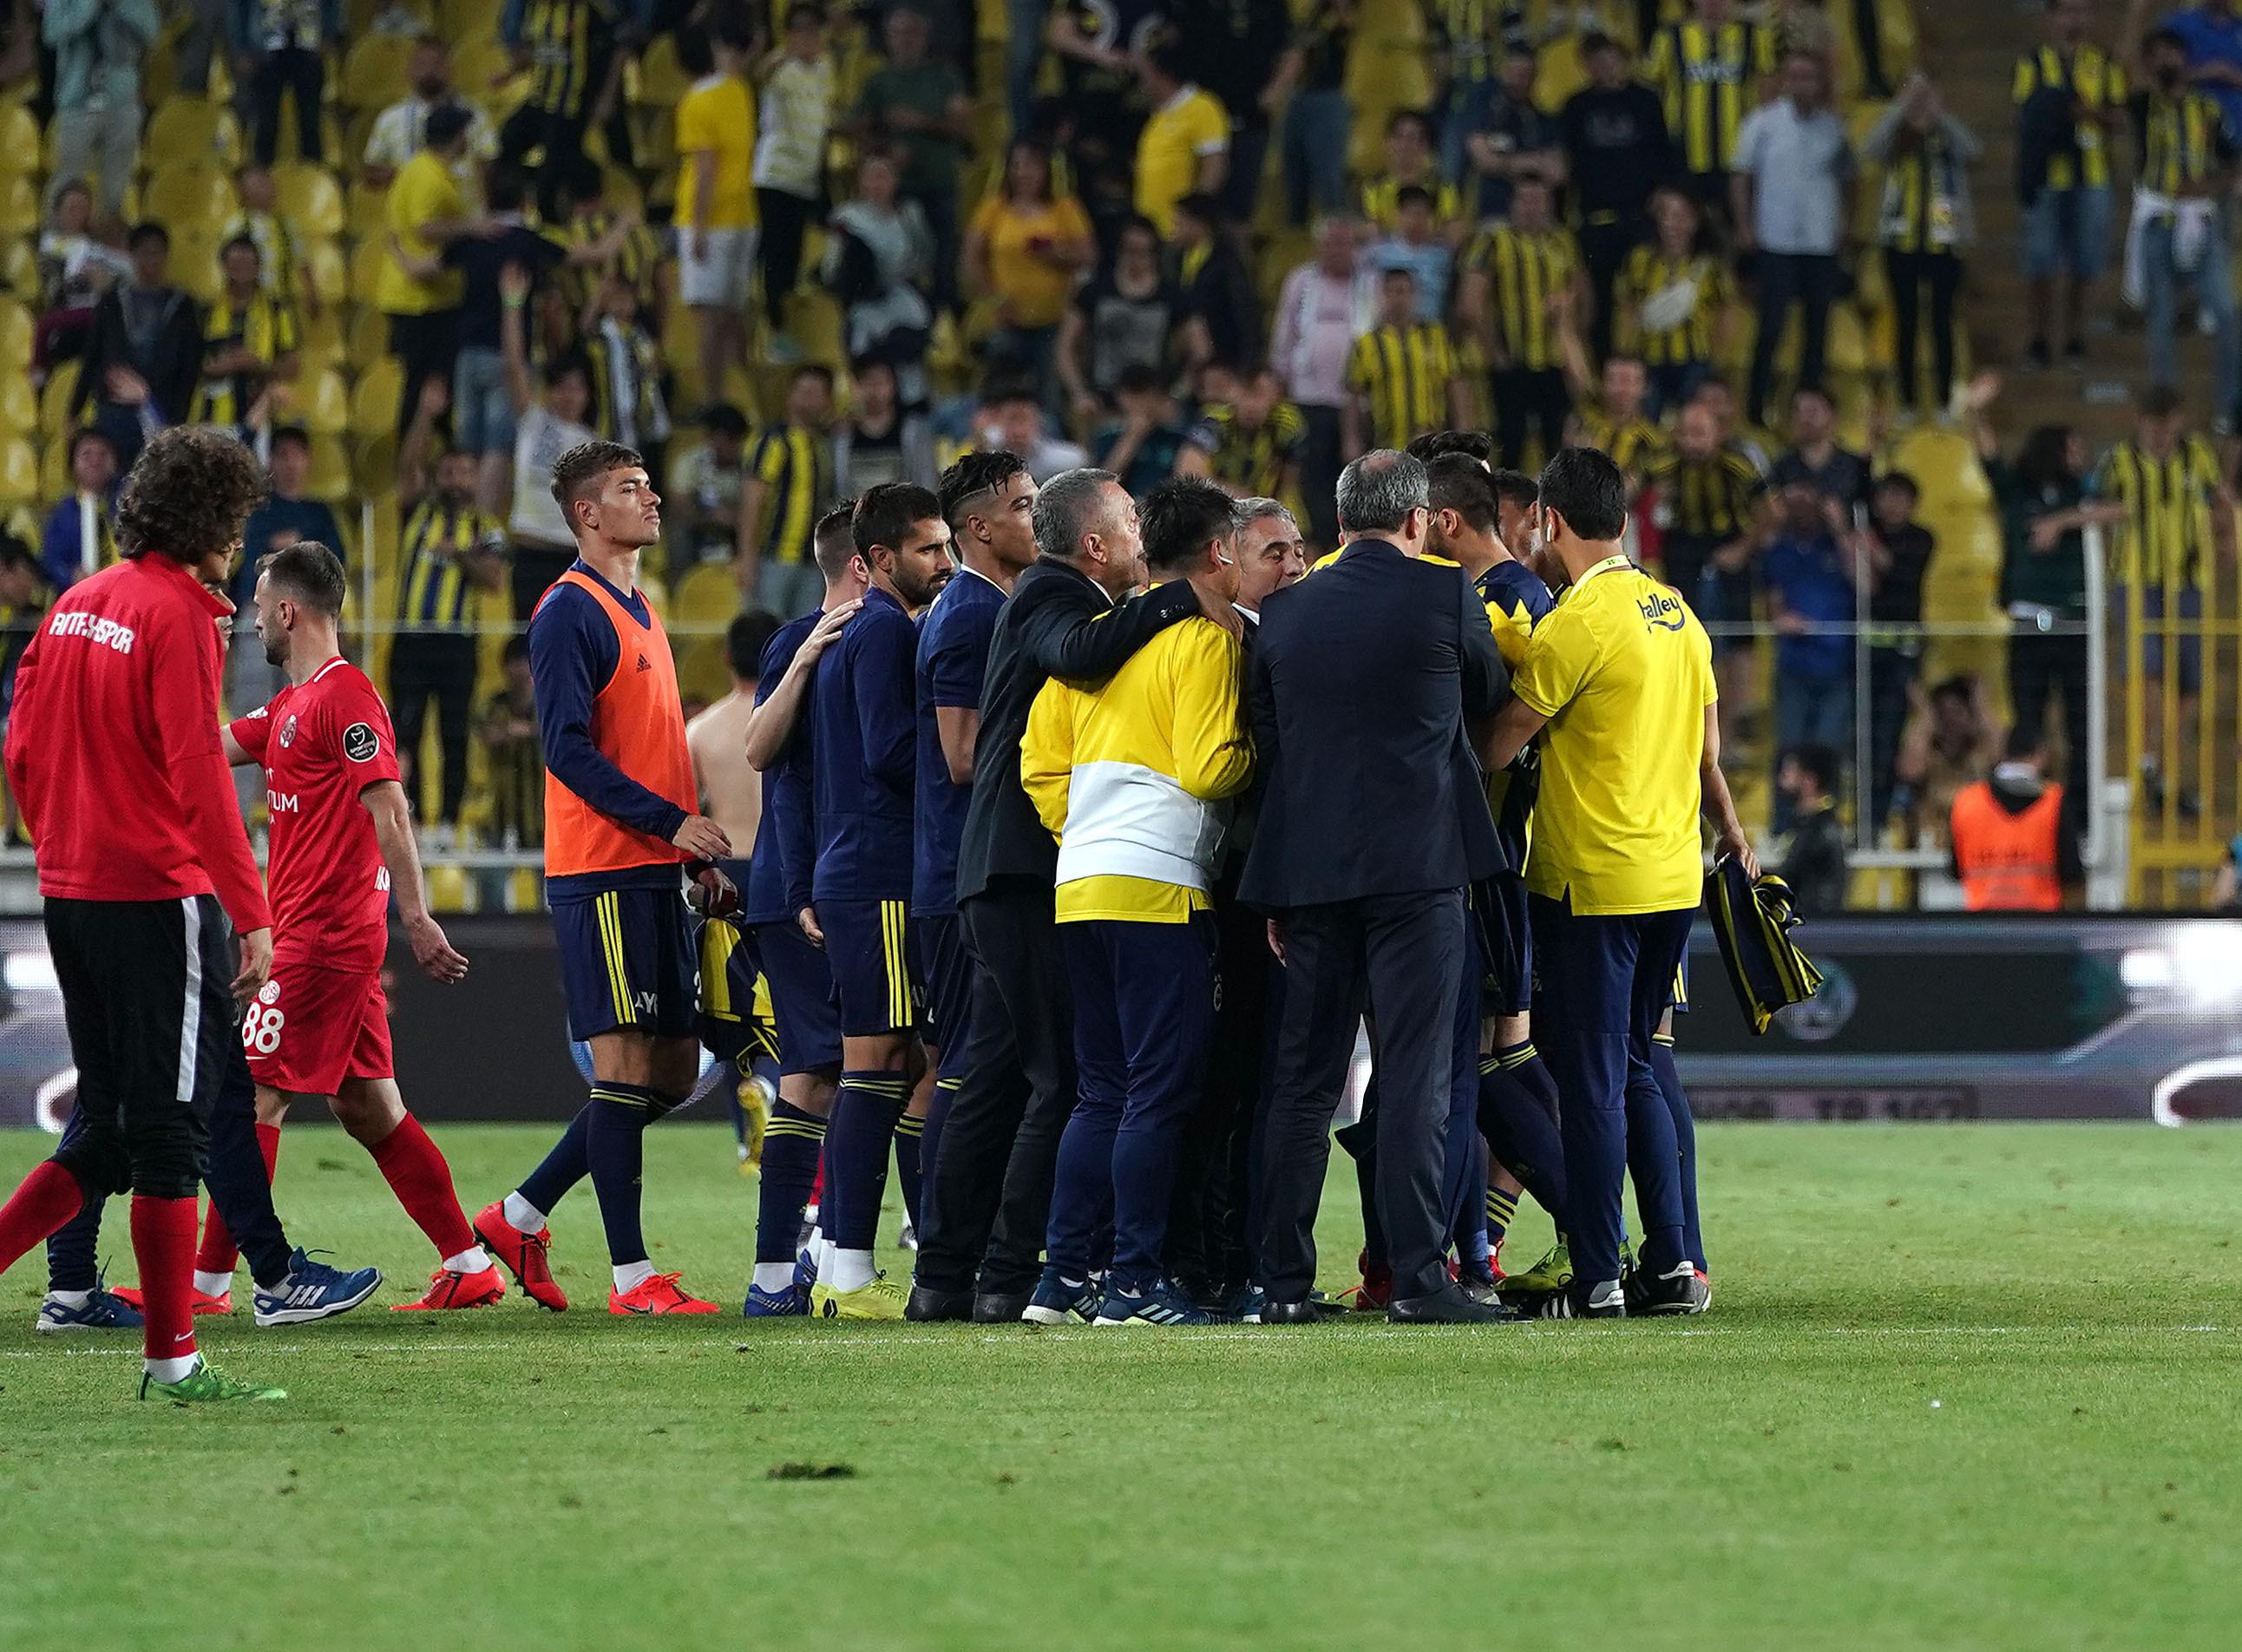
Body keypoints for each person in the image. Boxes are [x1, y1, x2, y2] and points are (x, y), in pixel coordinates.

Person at [0, 428, 372, 1398]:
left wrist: (59, 838)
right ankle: (173, 1357)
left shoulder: (75, 604)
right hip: (156, 897)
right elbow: (200, 772)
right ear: (212, 520)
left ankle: (158, 1332)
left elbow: (20, 746)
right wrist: (251, 913)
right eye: (238, 519)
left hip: (72, 892)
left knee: (107, 1128)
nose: (240, 542)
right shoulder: (175, 616)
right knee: (169, 1130)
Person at [908, 469, 1215, 1325]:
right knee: (1067, 1078)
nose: (1142, 542)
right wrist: (1180, 597)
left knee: (1006, 1072)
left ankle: (954, 1276)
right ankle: (1023, 1274)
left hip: (1005, 869)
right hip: (1019, 867)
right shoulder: (1048, 594)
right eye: (1129, 525)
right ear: (1094, 545)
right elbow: (1080, 654)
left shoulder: (1040, 592)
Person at [1485, 446, 1754, 1319]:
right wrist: (1735, 838)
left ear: (1550, 521)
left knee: (1593, 1077)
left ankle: (1596, 1273)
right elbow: (1708, 751)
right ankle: (1674, 1262)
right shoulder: (1677, 611)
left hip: (1591, 881)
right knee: (1639, 1066)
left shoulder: (1579, 619)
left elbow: (1506, 735)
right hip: (1673, 876)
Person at [1245, 450, 1511, 1326]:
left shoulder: (1281, 614)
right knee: (1412, 1076)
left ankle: (1280, 1283)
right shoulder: (1443, 594)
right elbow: (1485, 687)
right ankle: (1418, 1279)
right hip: (1419, 870)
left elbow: (1269, 746)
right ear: (1420, 519)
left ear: (1338, 518)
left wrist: (1279, 887)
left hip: (1312, 874)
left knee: (1301, 1082)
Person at [474, 439, 735, 1317]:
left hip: (655, 868)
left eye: (650, 484)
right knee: (623, 1072)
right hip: (604, 868)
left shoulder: (644, 609)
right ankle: (632, 1279)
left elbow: (655, 749)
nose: (653, 499)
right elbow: (567, 749)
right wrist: (669, 824)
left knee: (663, 1074)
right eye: (631, 489)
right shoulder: (568, 612)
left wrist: (688, 850)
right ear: (588, 513)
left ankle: (518, 1214)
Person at [199, 541, 495, 1310]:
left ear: (288, 611)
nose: (254, 619)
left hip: (323, 941)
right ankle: (469, 1263)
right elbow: (206, 750)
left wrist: (419, 918)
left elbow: (390, 809)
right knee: (369, 1108)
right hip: (321, 940)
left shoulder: (346, 698)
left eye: (260, 605)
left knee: (252, 1096)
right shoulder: (293, 706)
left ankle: (213, 1284)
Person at [1019, 477, 1250, 1328]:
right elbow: (1206, 766)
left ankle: (1061, 1280)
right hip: (1158, 888)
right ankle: (1134, 1283)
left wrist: (1086, 831)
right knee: (1156, 1091)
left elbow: (1040, 765)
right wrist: (1259, 761)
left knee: (1100, 1090)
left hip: (1079, 883)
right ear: (1218, 551)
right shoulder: (1203, 640)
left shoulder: (1092, 642)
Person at [803, 482, 953, 1319]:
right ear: (882, 561)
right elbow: (893, 751)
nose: (944, 562)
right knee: (877, 1065)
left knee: (890, 1065)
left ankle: (848, 1264)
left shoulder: (865, 631)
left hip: (859, 867)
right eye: (930, 550)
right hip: (881, 873)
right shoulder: (888, 629)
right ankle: (848, 1268)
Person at [735, 508, 864, 1315]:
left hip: (818, 885)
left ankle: (812, 1258)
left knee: (867, 1068)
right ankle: (786, 1271)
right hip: (806, 892)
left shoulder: (875, 633)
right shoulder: (804, 640)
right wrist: (808, 885)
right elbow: (761, 753)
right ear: (864, 562)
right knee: (823, 1074)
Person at [913, 452, 1039, 1272]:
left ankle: (962, 1245)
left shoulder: (993, 604)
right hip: (965, 874)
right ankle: (944, 1249)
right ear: (979, 528)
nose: (1038, 518)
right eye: (1025, 506)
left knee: (988, 1065)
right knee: (969, 1068)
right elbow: (960, 754)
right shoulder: (966, 615)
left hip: (976, 868)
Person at [2088, 384, 2233, 816]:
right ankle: (2149, 765)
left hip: (2189, 580)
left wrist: (2226, 537)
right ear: (2139, 421)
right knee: (2147, 673)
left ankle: (2159, 768)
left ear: (2179, 420)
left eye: (2166, 424)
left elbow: (2218, 497)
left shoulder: (2198, 456)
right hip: (2136, 581)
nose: (2159, 434)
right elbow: (2095, 503)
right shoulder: (2118, 461)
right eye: (2152, 425)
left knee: (2191, 683)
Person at [685, 607, 783, 1171]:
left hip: (725, 875)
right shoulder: (789, 718)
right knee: (787, 1000)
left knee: (729, 1011)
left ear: (726, 657)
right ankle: (772, 1087)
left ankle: (747, 1141)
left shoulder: (702, 729)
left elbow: (686, 810)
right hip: (781, 868)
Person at [391, 383, 508, 837]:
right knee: (409, 729)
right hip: (412, 637)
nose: (456, 479)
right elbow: (405, 469)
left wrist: (458, 555)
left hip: (458, 641)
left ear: (475, 479)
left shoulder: (486, 526)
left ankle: (450, 823)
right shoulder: (418, 512)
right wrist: (424, 415)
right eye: (449, 472)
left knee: (455, 733)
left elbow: (495, 579)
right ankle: (415, 816)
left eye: (464, 472)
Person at [1975, 387, 2094, 829]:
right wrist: (1975, 409)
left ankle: (2077, 816)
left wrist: (2061, 522)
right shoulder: (2016, 492)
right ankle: (2022, 809)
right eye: (2074, 447)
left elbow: (2119, 510)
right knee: (2028, 722)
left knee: (2081, 725)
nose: (2081, 455)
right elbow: (1988, 459)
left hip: (2074, 626)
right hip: (2028, 624)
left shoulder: (2080, 494)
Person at [2123, 17, 2239, 429]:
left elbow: (2233, 163)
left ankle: (2228, 411)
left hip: (2199, 221)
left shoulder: (2207, 109)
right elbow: (2126, 67)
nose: (2166, 61)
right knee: (2161, 318)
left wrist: (2207, 185)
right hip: (2158, 218)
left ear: (2185, 59)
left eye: (2172, 53)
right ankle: (2165, 412)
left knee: (2226, 312)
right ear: (2150, 64)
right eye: (2157, 56)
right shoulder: (2143, 105)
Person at [1732, 51, 1857, 429]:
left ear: (1820, 84)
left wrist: (1846, 224)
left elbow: (1850, 179)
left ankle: (1808, 412)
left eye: (1810, 77)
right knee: (1771, 327)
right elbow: (1741, 176)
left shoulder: (1834, 128)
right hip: (1776, 241)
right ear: (1785, 80)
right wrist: (1744, 224)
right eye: (1795, 76)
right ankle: (1757, 408)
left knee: (1817, 331)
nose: (1803, 84)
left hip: (1820, 242)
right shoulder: (1763, 123)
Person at [2015, 0, 2127, 372]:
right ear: (2051, 18)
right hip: (2048, 176)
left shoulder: (2105, 63)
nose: (2075, 19)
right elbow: (2025, 111)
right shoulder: (2033, 62)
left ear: (2092, 16)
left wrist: (2085, 112)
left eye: (2082, 11)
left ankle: (2075, 337)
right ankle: (2038, 339)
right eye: (2067, 11)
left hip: (2093, 177)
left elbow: (2118, 115)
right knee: (2040, 263)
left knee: (2085, 262)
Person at [1865, 74, 1981, 420]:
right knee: (1907, 322)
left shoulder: (1945, 136)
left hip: (1944, 242)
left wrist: (1939, 113)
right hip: (1900, 243)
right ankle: (1908, 402)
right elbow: (1870, 148)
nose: (1919, 103)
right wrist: (1901, 108)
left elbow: (1974, 149)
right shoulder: (1896, 138)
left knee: (1942, 323)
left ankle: (1945, 401)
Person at [1459, 177, 1586, 470]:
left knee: (1558, 445)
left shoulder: (1563, 242)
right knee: (1510, 443)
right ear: (1512, 203)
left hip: (1555, 363)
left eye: (1539, 200)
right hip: (1511, 363)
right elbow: (1471, 302)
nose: (1533, 207)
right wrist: (1496, 353)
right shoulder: (1491, 241)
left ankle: (1553, 512)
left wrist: (1572, 344)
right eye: (1526, 199)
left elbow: (1582, 296)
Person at [856, 4, 974, 318]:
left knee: (943, 262)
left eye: (911, 33)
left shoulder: (946, 78)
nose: (904, 40)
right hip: (895, 191)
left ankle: (945, 326)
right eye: (897, 33)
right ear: (887, 38)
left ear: (925, 37)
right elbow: (863, 134)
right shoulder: (877, 82)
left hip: (939, 185)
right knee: (898, 266)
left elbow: (964, 127)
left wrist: (920, 122)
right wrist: (886, 154)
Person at [1561, 34, 1671, 363]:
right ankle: (1604, 368)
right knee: (1598, 305)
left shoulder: (1647, 101)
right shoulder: (1576, 106)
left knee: (1646, 297)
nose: (1604, 66)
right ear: (1586, 66)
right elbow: (1567, 163)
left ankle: (1647, 367)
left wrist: (1661, 193)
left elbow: (1665, 153)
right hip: (1595, 221)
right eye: (1596, 60)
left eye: (1610, 58)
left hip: (1640, 219)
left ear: (1623, 59)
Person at [377, 105, 485, 442]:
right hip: (421, 299)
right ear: (456, 137)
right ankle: (412, 460)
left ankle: (428, 458)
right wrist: (472, 228)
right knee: (424, 386)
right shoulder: (428, 174)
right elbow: (425, 227)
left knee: (433, 387)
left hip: (426, 294)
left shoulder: (426, 169)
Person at [498, 265, 600, 622]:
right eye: (563, 387)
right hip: (528, 553)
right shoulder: (534, 420)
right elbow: (514, 364)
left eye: (578, 388)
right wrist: (512, 305)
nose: (570, 396)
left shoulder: (594, 446)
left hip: (570, 559)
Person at [965, 139, 1093, 412]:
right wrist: (995, 299)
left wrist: (1053, 254)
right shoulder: (994, 208)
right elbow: (970, 259)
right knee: (998, 394)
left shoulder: (1064, 207)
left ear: (1046, 169)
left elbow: (1088, 255)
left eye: (1032, 165)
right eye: (1018, 165)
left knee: (1049, 399)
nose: (1024, 172)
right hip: (1006, 319)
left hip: (1053, 320)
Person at [1761, 482, 1861, 831]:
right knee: (1788, 750)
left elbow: (1862, 580)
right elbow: (1772, 598)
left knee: (1829, 752)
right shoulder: (1782, 548)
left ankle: (1828, 828)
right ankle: (1782, 828)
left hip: (1836, 667)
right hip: (1795, 666)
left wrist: (1839, 528)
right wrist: (1780, 618)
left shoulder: (1838, 546)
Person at [675, 21, 759, 410]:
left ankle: (713, 400)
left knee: (709, 317)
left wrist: (699, 226)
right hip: (745, 215)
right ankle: (742, 391)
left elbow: (705, 168)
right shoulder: (739, 89)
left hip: (711, 220)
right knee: (732, 312)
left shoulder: (697, 101)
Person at [73, 224, 204, 469]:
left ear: (166, 255)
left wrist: (177, 417)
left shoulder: (182, 305)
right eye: (145, 252)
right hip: (114, 411)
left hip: (160, 409)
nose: (151, 260)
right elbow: (92, 355)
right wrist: (75, 408)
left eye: (157, 252)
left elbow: (190, 366)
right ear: (132, 255)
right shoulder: (112, 301)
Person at [823, 149, 938, 410]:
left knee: (911, 344)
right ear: (860, 181)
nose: (877, 184)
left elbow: (925, 258)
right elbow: (831, 272)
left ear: (895, 180)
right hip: (864, 304)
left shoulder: (910, 215)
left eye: (884, 176)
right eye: (871, 177)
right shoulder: (847, 218)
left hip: (901, 296)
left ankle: (912, 405)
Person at [755, 4, 839, 358]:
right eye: (801, 31)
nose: (809, 38)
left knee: (793, 258)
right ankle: (771, 332)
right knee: (774, 257)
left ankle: (786, 330)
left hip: (807, 180)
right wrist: (786, 53)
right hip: (775, 176)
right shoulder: (779, 66)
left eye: (814, 30)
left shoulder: (825, 67)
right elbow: (756, 76)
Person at [1271, 217, 1360, 545]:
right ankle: (1319, 542)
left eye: (1344, 243)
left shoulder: (1367, 281)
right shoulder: (1301, 281)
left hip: (1356, 401)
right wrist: (1280, 376)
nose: (1337, 250)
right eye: (1330, 243)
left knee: (1351, 476)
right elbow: (1286, 331)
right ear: (1318, 246)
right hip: (1308, 397)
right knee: (1313, 480)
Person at [1059, 216, 1195, 433]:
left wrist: (1175, 397)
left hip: (1151, 405)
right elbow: (1065, 346)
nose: (1136, 259)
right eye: (1130, 250)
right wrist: (1079, 392)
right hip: (1100, 403)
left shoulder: (1172, 297)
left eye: (1144, 252)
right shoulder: (1095, 291)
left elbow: (1200, 351)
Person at [499, 0, 630, 223]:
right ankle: (513, 215)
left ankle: (554, 230)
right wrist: (511, 71)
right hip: (539, 101)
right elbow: (540, 51)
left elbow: (618, 48)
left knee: (549, 181)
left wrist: (607, 97)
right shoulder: (535, 9)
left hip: (571, 106)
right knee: (507, 140)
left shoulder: (589, 10)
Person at [1645, 0, 1778, 216]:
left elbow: (1769, 89)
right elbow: (1650, 86)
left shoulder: (1753, 34)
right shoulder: (1670, 35)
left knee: (1739, 234)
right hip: (1684, 156)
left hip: (1739, 158)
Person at [1861, 472, 1937, 829]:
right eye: (1885, 496)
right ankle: (1866, 815)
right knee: (1866, 736)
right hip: (1867, 652)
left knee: (1893, 733)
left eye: (1899, 497)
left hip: (1904, 653)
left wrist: (1868, 547)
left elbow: (1899, 573)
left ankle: (1884, 814)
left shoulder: (1921, 539)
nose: (1891, 504)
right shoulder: (1866, 533)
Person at [1618, 188, 1732, 417]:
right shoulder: (1639, 260)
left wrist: (1718, 357)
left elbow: (1726, 311)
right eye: (1666, 215)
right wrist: (1627, 352)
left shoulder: (1709, 265)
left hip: (1695, 362)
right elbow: (1629, 307)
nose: (1672, 224)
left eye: (1681, 216)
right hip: (1648, 359)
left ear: (1695, 222)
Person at [738, 364, 839, 614]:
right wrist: (747, 557)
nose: (808, 398)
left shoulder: (824, 446)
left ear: (828, 400)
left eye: (816, 393)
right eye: (803, 391)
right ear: (789, 395)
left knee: (806, 638)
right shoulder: (773, 441)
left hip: (812, 563)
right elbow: (753, 500)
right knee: (768, 635)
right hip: (773, 559)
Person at [45, 0, 160, 214]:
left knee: (117, 185)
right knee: (67, 180)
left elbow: (152, 33)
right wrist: (91, 5)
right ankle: (58, 242)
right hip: (77, 100)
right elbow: (52, 33)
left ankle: (108, 243)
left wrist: (120, 6)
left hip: (122, 100)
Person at [1949, 725, 2082, 908]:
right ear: (2041, 753)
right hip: (2041, 928)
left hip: (1982, 926)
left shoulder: (1966, 801)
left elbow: (1955, 871)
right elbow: (2072, 874)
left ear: (2003, 753)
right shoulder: (2055, 802)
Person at [1344, 267, 1468, 459]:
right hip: (1385, 447)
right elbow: (1354, 397)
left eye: (1402, 291)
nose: (1397, 299)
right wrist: (1352, 440)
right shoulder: (1366, 344)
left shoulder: (1436, 337)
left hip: (1431, 443)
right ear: (1382, 295)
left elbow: (1454, 385)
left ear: (1414, 295)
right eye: (1391, 292)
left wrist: (1462, 431)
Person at [360, 33, 501, 191]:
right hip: (413, 210)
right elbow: (370, 172)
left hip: (461, 210)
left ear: (450, 69)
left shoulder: (474, 114)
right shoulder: (390, 118)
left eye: (436, 64)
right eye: (422, 64)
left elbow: (491, 165)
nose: (429, 70)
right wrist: (407, 176)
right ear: (409, 70)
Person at [192, 236, 301, 434]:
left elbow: (292, 367)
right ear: (223, 265)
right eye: (235, 264)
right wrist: (217, 367)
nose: (241, 271)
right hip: (211, 415)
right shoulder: (205, 310)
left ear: (258, 266)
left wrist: (258, 365)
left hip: (262, 415)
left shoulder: (277, 310)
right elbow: (188, 362)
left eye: (247, 264)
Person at [1133, 41, 1230, 239]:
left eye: (1145, 74)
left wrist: (1194, 219)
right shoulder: (1157, 117)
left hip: (1181, 232)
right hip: (1153, 232)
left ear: (1163, 75)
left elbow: (1214, 166)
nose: (1140, 81)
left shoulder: (1202, 107)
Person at [1465, 42, 1566, 220]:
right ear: (1503, 72)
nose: (1518, 80)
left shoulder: (1544, 120)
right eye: (1513, 73)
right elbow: (1484, 160)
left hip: (1537, 222)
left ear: (1534, 77)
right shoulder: (1484, 115)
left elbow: (1558, 173)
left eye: (1524, 74)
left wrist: (1504, 163)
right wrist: (1531, 162)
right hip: (1495, 216)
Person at [1892, 674, 1995, 849]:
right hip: (1933, 847)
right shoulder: (1930, 754)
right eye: (1943, 713)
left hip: (1975, 844)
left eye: (1957, 712)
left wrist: (1980, 705)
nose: (1950, 720)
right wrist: (1924, 716)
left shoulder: (1977, 754)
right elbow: (1909, 770)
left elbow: (1999, 750)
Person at [1179, 365, 1308, 501]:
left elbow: (1290, 482)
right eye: (1244, 394)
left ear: (1275, 398)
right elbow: (1188, 475)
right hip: (1222, 505)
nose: (1250, 405)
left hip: (1269, 506)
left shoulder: (1285, 425)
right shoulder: (1216, 423)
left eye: (1259, 395)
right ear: (1231, 394)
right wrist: (1238, 497)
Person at [1279, 0, 1355, 226]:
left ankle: (1339, 238)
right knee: (1294, 176)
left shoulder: (1346, 13)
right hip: (1298, 98)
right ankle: (1295, 239)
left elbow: (1349, 24)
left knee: (1329, 179)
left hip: (1328, 99)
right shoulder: (1311, 14)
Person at [237, 0, 339, 165]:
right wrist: (242, 46)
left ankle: (312, 179)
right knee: (266, 123)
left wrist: (329, 34)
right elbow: (240, 4)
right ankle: (263, 175)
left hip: (309, 43)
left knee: (311, 121)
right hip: (267, 47)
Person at [1171, 195, 1261, 371]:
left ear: (1199, 223)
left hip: (1224, 359)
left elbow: (1244, 313)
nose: (1174, 228)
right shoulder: (1176, 260)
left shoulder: (1226, 262)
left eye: (1179, 222)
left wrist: (1246, 364)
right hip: (1189, 361)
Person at [835, 356, 939, 496]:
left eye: (880, 383)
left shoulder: (913, 431)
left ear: (894, 386)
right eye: (866, 382)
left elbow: (927, 482)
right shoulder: (843, 436)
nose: (872, 390)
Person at [1359, 108, 1465, 243]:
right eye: (1398, 137)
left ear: (1425, 145)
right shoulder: (1373, 186)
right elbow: (1370, 231)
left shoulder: (1443, 187)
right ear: (1387, 143)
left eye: (1411, 138)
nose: (1404, 145)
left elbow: (1454, 232)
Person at [1092, 364, 1194, 498]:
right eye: (1132, 395)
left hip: (1165, 507)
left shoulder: (1177, 437)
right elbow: (1103, 485)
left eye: (1144, 394)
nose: (1139, 403)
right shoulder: (1108, 437)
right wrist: (1132, 437)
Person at [39, 429, 119, 589]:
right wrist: (71, 576)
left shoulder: (130, 502)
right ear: (72, 465)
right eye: (86, 455)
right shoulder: (63, 514)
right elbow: (50, 562)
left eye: (103, 454)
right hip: (82, 595)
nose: (95, 461)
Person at [1771, 385, 1872, 513]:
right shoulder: (1781, 466)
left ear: (1833, 416)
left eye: (1812, 412)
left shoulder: (1855, 466)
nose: (1803, 419)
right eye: (1798, 411)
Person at [1365, 186, 1457, 323]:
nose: (1417, 220)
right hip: (1390, 330)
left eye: (1423, 214)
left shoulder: (1443, 256)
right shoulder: (1379, 253)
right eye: (1412, 214)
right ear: (1399, 215)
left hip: (1433, 331)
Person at [1777, 743, 1850, 913]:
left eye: (1790, 770)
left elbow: (1790, 879)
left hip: (1812, 925)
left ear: (1809, 781)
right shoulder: (1812, 824)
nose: (1782, 776)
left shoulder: (1819, 830)